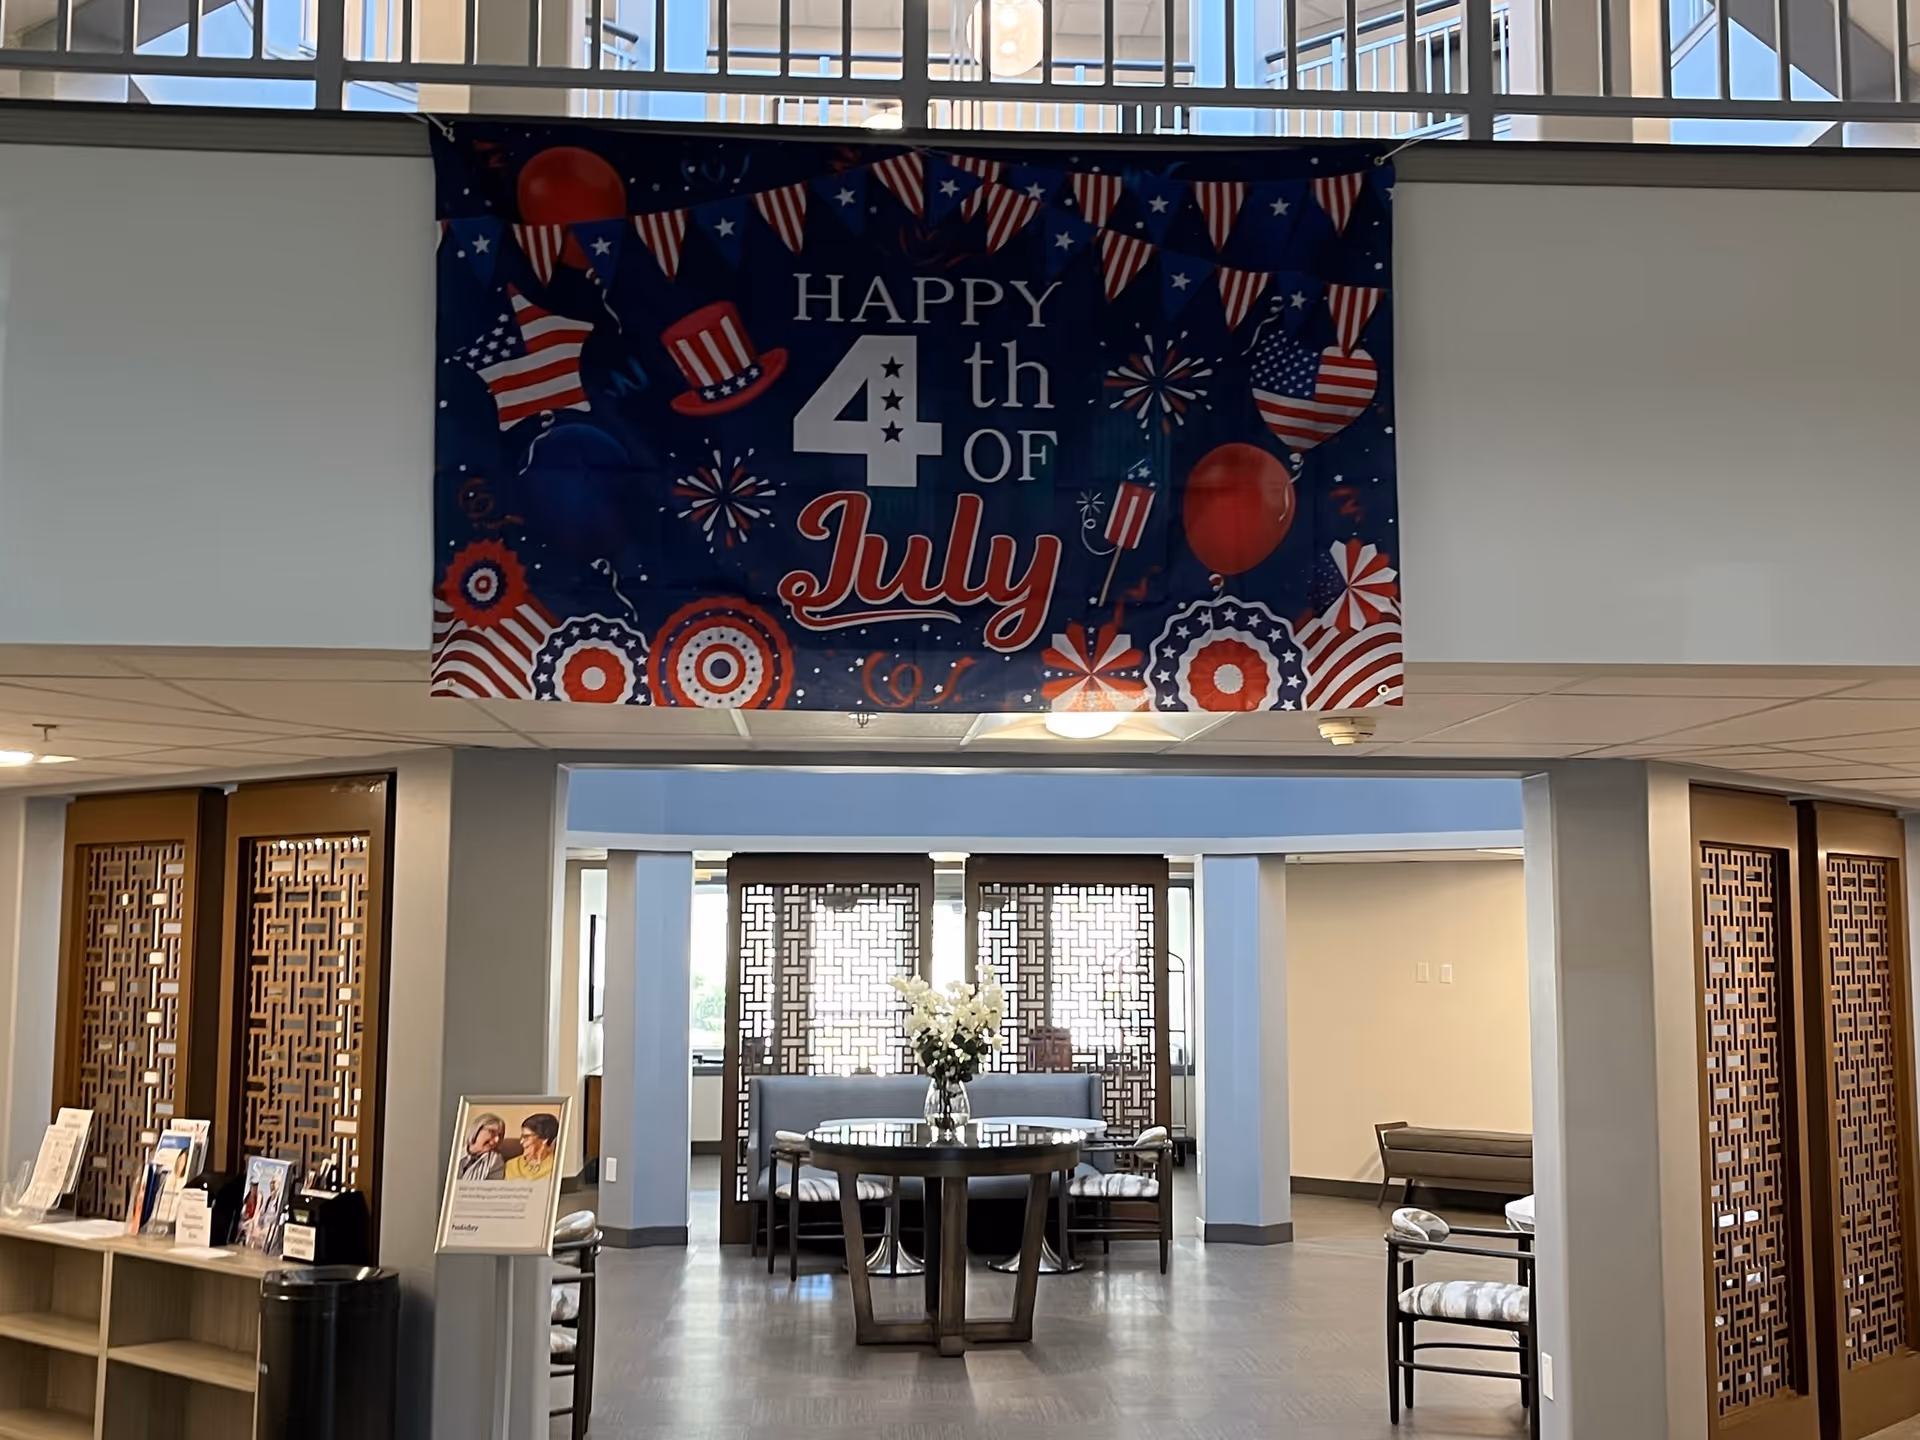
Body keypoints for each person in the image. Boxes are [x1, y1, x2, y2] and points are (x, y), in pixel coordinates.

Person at [504, 1113, 560, 1181]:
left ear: (544, 1139)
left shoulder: (557, 1168)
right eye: (522, 1136)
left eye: (526, 1137)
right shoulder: (511, 1165)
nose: (521, 1141)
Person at [457, 1112, 507, 1182]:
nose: (497, 1140)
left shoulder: (495, 1160)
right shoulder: (454, 1151)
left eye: (500, 1135)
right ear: (477, 1130)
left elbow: (491, 1190)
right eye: (492, 1132)